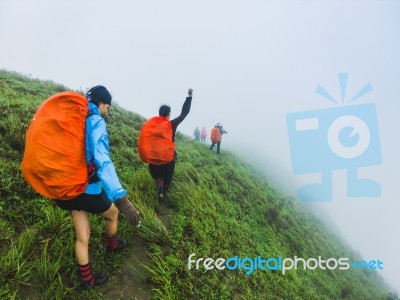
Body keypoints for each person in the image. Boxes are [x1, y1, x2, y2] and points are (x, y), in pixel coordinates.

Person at [53, 85, 141, 288]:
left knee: (82, 236)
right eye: (107, 107)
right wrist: (122, 199)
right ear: (100, 103)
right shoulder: (95, 121)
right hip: (88, 190)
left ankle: (87, 280)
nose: (106, 111)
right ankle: (112, 244)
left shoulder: (74, 118)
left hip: (68, 188)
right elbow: (102, 160)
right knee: (113, 214)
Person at [148, 88, 193, 198]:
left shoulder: (152, 124)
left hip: (155, 156)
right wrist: (189, 97)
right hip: (168, 157)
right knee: (168, 174)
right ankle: (164, 192)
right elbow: (184, 113)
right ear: (168, 115)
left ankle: (159, 182)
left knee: (157, 173)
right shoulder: (171, 124)